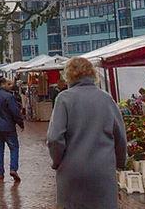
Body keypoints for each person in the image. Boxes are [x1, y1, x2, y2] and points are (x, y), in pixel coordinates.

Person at [46, 58, 127, 209]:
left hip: (71, 170)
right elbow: (120, 137)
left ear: (68, 75)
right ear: (93, 73)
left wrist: (57, 162)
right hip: (102, 171)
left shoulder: (64, 99)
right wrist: (120, 163)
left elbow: (54, 138)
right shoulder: (106, 99)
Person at [0, 77, 24, 182]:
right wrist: (20, 123)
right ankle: (13, 169)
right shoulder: (9, 97)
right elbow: (15, 112)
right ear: (3, 84)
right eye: (9, 84)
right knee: (14, 148)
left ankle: (0, 173)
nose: (11, 86)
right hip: (9, 127)